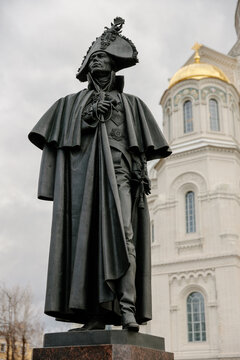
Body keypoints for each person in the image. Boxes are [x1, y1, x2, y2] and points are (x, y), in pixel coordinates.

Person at [29, 17, 171, 332]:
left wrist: (141, 171)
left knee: (123, 236)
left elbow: (140, 147)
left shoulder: (130, 103)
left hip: (120, 175)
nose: (96, 61)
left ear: (113, 64)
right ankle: (94, 316)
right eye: (92, 58)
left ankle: (126, 309)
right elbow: (55, 138)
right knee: (87, 243)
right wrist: (88, 117)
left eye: (101, 57)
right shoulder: (71, 104)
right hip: (83, 182)